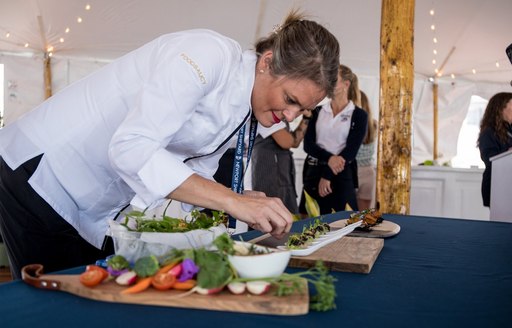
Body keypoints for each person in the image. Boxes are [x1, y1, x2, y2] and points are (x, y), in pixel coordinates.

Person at [0, 10, 340, 278]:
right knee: (55, 308)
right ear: (267, 62)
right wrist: (232, 201)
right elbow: (131, 148)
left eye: (303, 109)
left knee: (96, 300)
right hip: (39, 175)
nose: (291, 116)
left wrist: (237, 200)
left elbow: (189, 174)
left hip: (92, 206)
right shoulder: (207, 54)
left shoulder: (245, 110)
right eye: (290, 99)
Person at [299, 65, 368, 216]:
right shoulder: (317, 111)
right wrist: (329, 159)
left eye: (333, 79)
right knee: (309, 222)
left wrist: (328, 174)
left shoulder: (359, 115)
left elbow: (351, 151)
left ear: (346, 84)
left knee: (346, 221)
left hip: (342, 173)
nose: (328, 82)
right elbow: (308, 145)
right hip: (314, 170)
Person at [251, 110, 312, 214]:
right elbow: (288, 142)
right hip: (270, 175)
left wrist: (306, 117)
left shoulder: (278, 117)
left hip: (281, 174)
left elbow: (294, 142)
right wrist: (304, 113)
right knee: (274, 215)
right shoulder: (267, 114)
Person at [477, 92, 512, 207]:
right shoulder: (489, 132)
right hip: (497, 186)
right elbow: (489, 158)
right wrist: (508, 152)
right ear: (500, 108)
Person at [355, 90, 378, 210]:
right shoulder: (374, 124)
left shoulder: (352, 124)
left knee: (345, 213)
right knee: (364, 214)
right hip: (368, 171)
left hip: (352, 171)